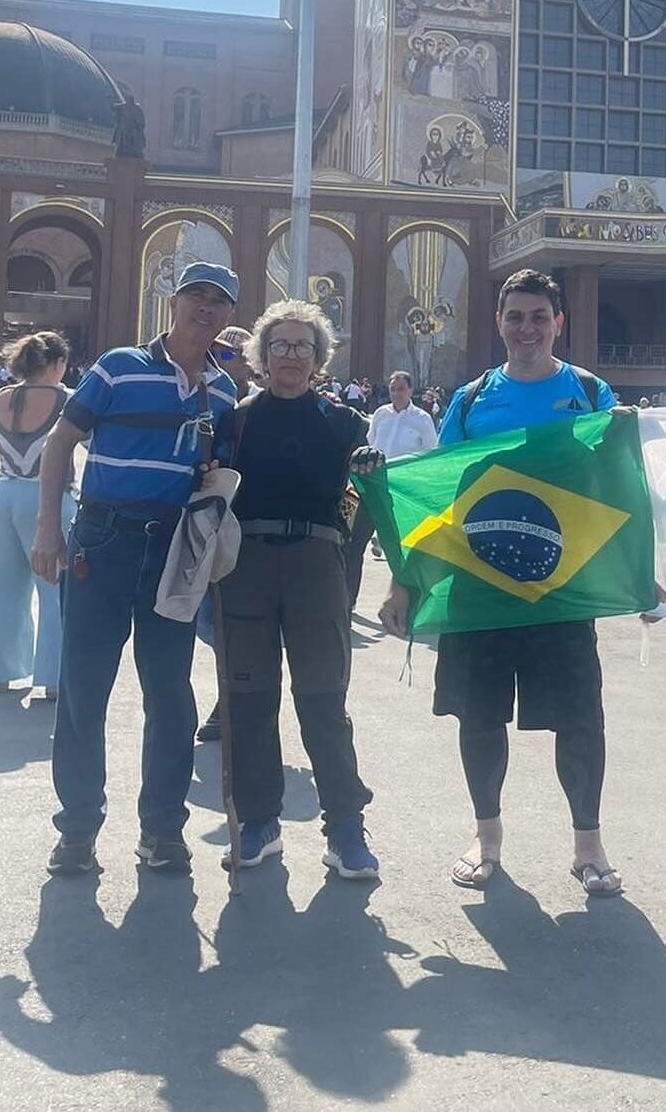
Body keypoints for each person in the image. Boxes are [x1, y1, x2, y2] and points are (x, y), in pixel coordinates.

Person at [379, 267, 623, 897]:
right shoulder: (469, 401)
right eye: (515, 316)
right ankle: (486, 838)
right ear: (499, 323)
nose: (527, 328)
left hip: (560, 590)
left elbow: (624, 492)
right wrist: (404, 581)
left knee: (580, 718)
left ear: (559, 323)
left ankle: (588, 847)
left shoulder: (594, 395)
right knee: (479, 717)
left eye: (539, 316)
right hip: (478, 585)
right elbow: (438, 496)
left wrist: (639, 576)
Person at [31, 261, 240, 876]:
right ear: (173, 302)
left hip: (173, 555)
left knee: (171, 694)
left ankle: (161, 831)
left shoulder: (224, 393)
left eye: (219, 301)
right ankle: (76, 831)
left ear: (230, 316)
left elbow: (217, 476)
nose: (206, 309)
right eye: (196, 296)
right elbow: (60, 443)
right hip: (102, 543)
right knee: (83, 691)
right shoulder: (119, 366)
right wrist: (50, 528)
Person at [214, 301, 380, 878]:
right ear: (260, 357)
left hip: (316, 566)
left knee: (322, 700)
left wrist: (366, 472)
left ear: (319, 359)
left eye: (301, 346)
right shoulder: (234, 422)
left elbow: (364, 509)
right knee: (250, 699)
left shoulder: (345, 426)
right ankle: (260, 822)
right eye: (279, 345)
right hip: (246, 567)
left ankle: (345, 830)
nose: (290, 355)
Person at [0, 332, 75, 698]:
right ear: (55, 364)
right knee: (55, 589)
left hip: (2, 495)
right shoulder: (66, 399)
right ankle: (51, 679)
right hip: (48, 497)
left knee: (2, 588)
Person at [195, 323, 253, 744]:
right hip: (205, 522)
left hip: (244, 527)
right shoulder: (206, 393)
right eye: (218, 352)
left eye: (231, 354)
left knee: (228, 620)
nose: (222, 360)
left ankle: (232, 698)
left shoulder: (252, 406)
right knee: (205, 619)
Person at [347, 370, 437, 610]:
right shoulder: (380, 414)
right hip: (372, 486)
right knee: (354, 545)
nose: (396, 393)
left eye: (401, 389)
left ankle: (411, 600)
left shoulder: (422, 419)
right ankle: (348, 601)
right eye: (393, 389)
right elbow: (371, 443)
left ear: (410, 390)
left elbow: (429, 453)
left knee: (403, 549)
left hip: (400, 492)